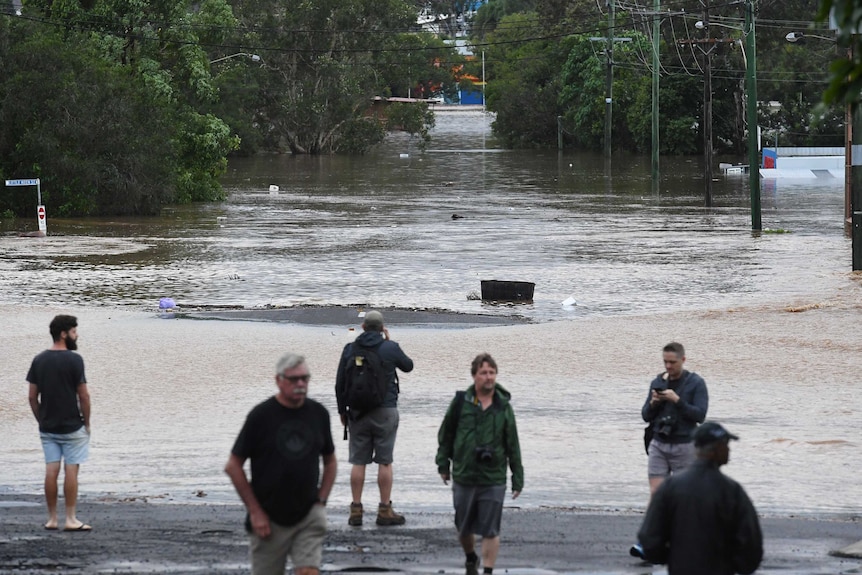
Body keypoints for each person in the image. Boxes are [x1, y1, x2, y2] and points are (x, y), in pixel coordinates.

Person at [225, 353, 336, 575]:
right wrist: (255, 512)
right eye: (294, 379)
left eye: (305, 378)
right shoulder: (261, 416)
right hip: (268, 518)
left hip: (308, 515)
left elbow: (330, 460)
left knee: (308, 572)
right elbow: (233, 466)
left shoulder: (318, 414)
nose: (301, 384)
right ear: (279, 380)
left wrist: (321, 501)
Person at [636, 422, 763, 575]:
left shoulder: (670, 486)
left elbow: (649, 536)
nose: (728, 449)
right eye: (725, 445)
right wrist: (736, 566)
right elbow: (751, 542)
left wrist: (669, 558)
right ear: (714, 450)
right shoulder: (731, 491)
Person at [436, 353, 523, 575]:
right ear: (474, 375)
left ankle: (488, 571)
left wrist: (517, 477)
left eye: (492, 373)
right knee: (463, 527)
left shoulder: (503, 407)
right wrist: (443, 465)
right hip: (465, 474)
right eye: (483, 373)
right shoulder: (460, 403)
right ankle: (470, 557)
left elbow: (513, 443)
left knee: (491, 530)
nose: (488, 377)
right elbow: (446, 436)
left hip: (493, 477)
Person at [335, 310, 414, 526]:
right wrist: (389, 341)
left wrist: (343, 411)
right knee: (384, 461)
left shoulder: (350, 349)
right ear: (382, 328)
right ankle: (384, 510)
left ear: (362, 327)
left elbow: (340, 383)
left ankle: (356, 510)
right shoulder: (390, 347)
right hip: (386, 410)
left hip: (357, 412)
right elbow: (408, 366)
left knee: (358, 462)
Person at [631, 341, 708, 559]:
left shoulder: (695, 384)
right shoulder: (658, 381)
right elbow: (645, 415)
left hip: (685, 445)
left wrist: (677, 401)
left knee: (684, 497)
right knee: (657, 495)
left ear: (683, 360)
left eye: (672, 362)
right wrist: (655, 403)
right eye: (665, 362)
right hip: (659, 444)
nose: (668, 366)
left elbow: (700, 415)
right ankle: (647, 542)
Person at [27, 314, 92, 532]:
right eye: (74, 331)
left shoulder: (39, 359)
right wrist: (87, 422)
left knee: (51, 470)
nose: (77, 335)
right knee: (71, 470)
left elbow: (31, 397)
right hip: (72, 425)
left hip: (48, 426)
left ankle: (52, 518)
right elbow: (84, 396)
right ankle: (71, 518)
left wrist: (41, 419)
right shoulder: (75, 360)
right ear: (64, 334)